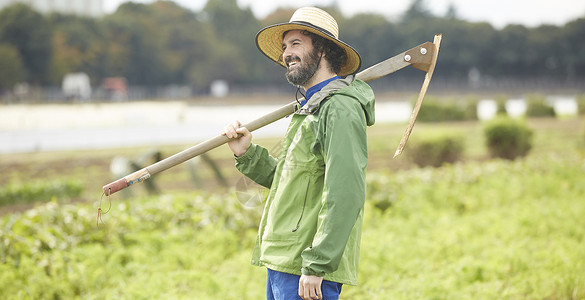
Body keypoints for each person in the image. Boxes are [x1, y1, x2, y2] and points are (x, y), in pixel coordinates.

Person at [222, 7, 375, 300]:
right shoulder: (311, 108)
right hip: (285, 260)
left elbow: (345, 191)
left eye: (296, 44)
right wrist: (248, 154)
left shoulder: (339, 108)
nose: (286, 54)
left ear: (324, 49)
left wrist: (318, 263)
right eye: (284, 47)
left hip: (307, 267)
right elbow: (292, 181)